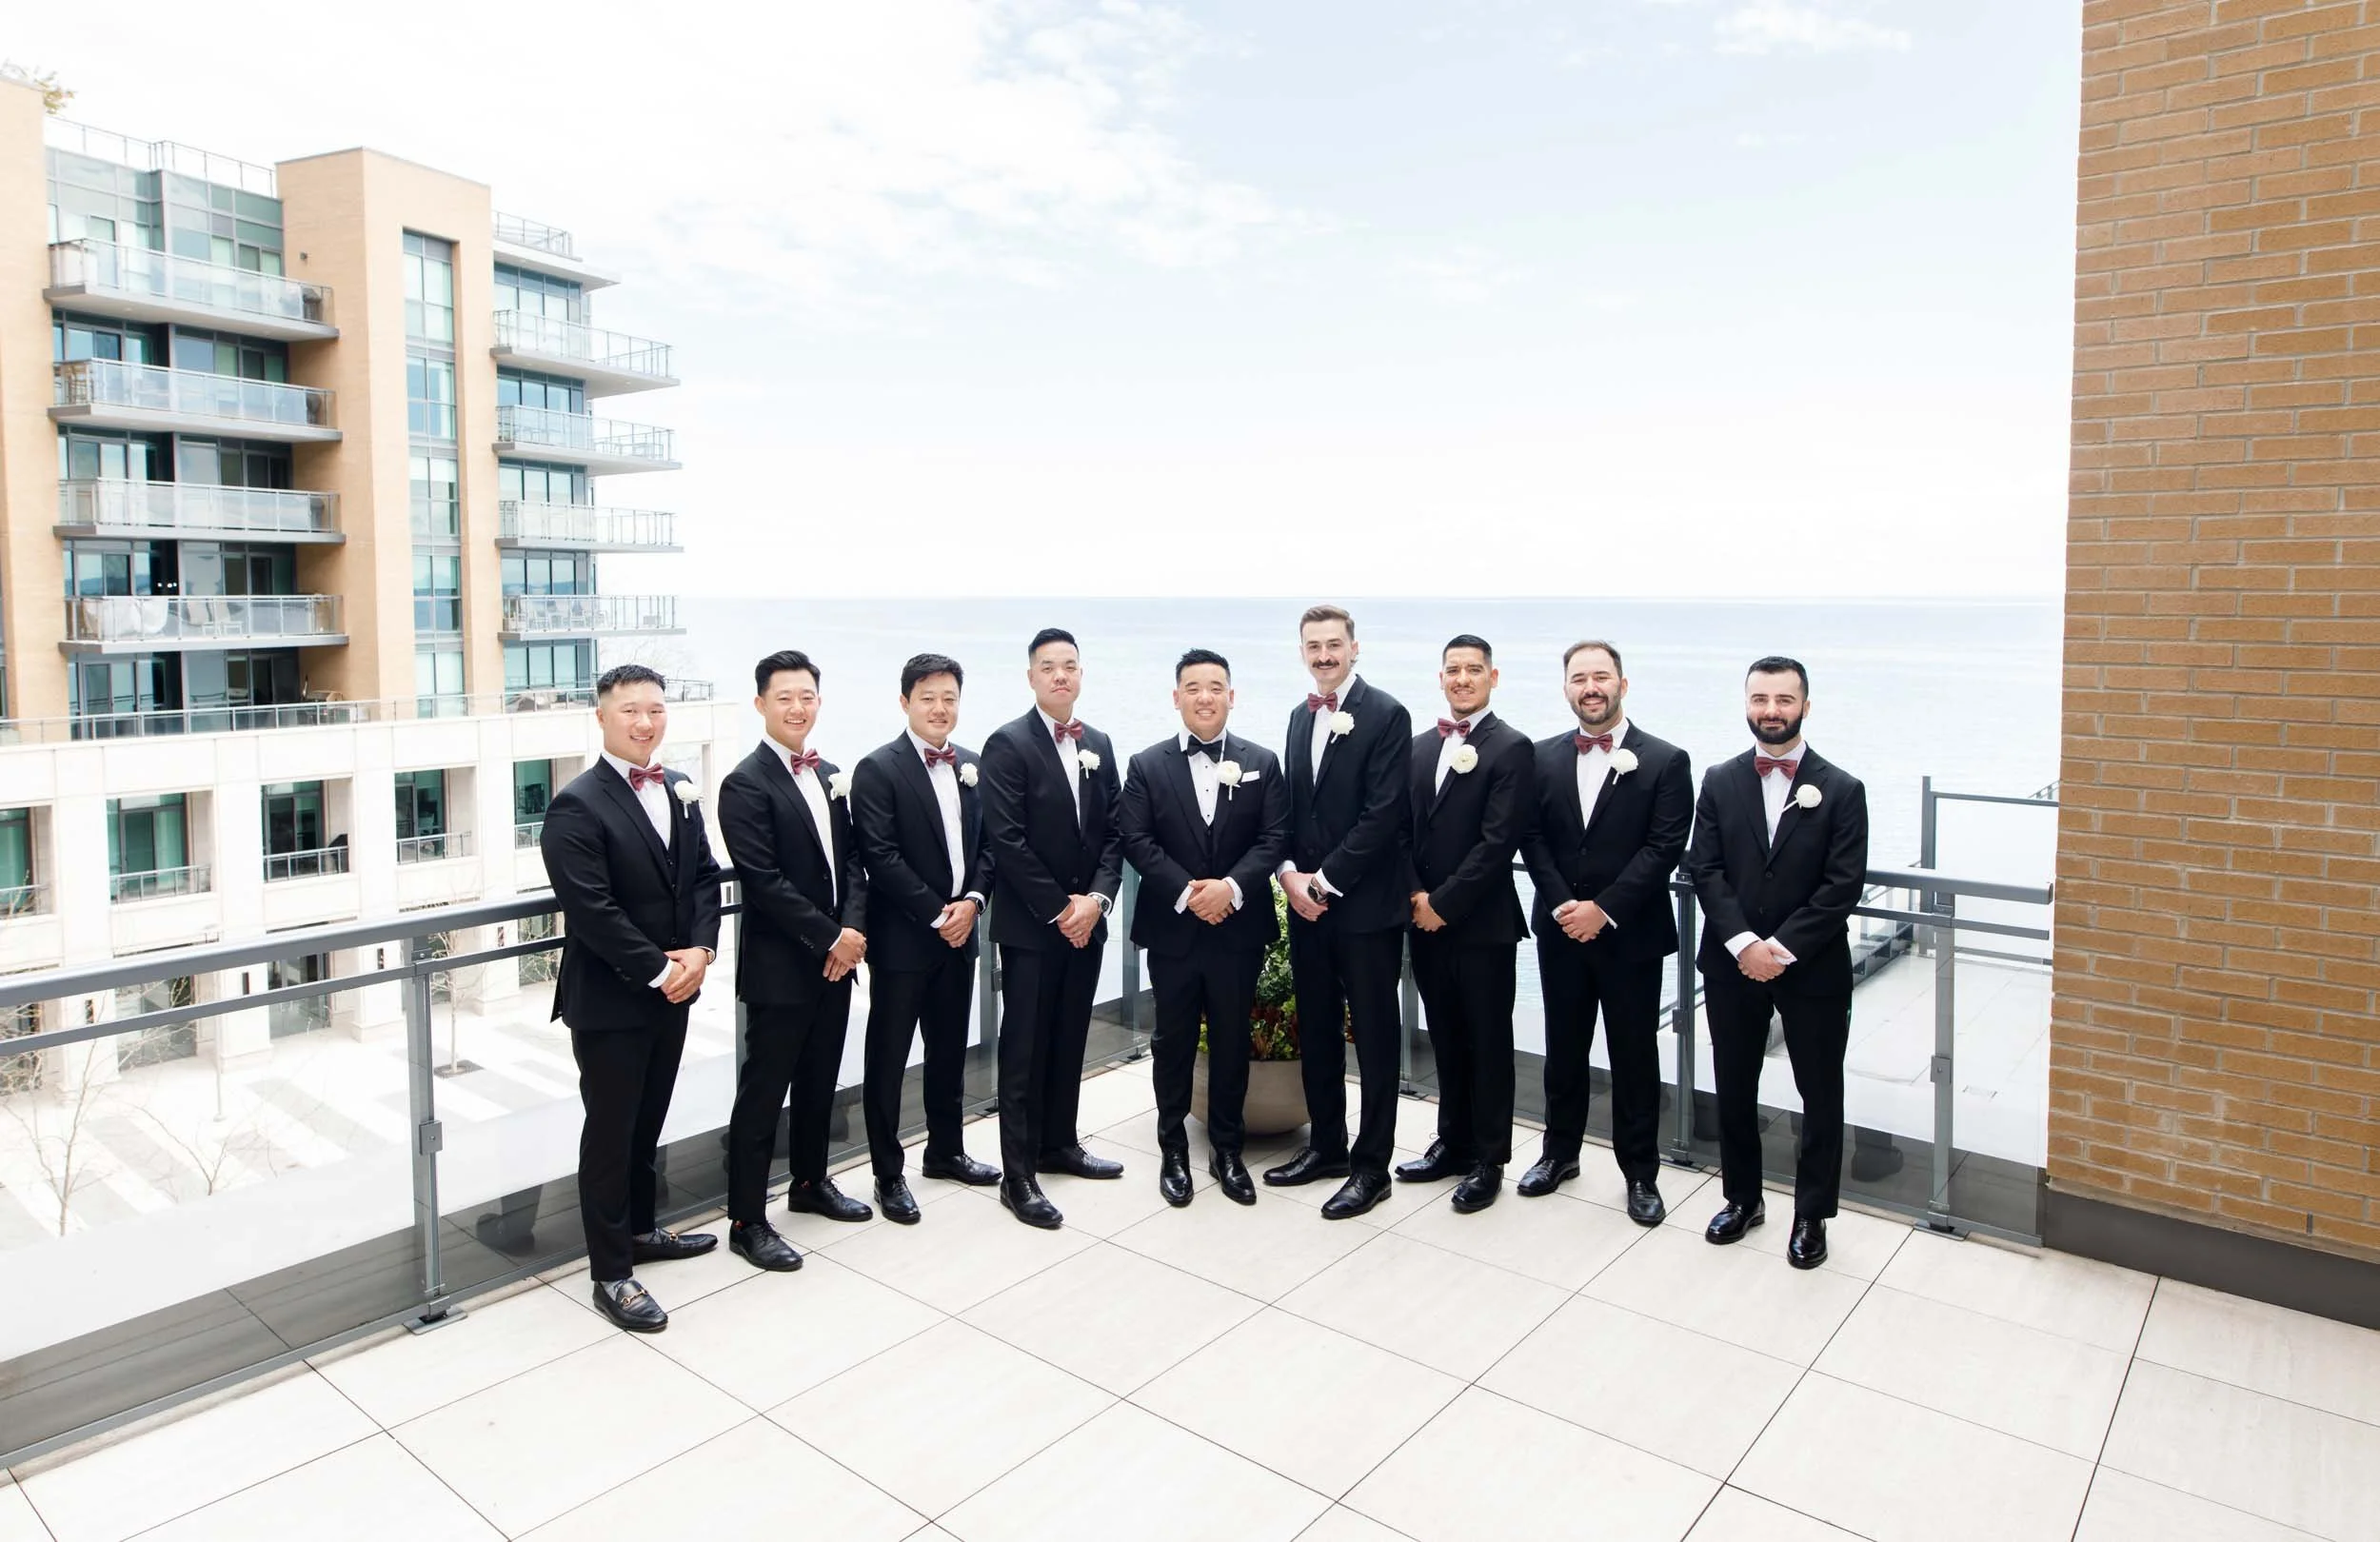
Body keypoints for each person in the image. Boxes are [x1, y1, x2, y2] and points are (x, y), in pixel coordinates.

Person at [540, 663, 724, 1332]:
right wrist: (659, 970)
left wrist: (701, 953)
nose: (645, 723)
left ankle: (644, 1230)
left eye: (654, 710)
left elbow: (705, 878)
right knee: (611, 1137)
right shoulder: (576, 804)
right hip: (613, 999)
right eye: (629, 712)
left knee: (649, 1123)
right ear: (602, 718)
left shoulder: (678, 788)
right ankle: (611, 1274)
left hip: (674, 990)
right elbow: (591, 909)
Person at [1686, 656, 1869, 1270]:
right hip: (1732, 962)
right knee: (1734, 1085)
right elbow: (1703, 869)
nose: (1771, 711)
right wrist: (1743, 944)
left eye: (1783, 700)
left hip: (1811, 968)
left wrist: (1780, 949)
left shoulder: (1842, 789)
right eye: (1760, 699)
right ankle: (1742, 1199)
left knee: (1820, 1093)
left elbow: (1842, 887)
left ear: (1805, 707)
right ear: (1746, 705)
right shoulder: (1718, 779)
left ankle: (1813, 1214)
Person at [1516, 640, 1692, 1223]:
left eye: (1601, 676)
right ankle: (1558, 1154)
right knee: (1562, 1049)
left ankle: (1640, 1174)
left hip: (1631, 935)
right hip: (1560, 928)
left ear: (1622, 682)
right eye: (1579, 678)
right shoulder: (1539, 757)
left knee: (1634, 1057)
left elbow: (1663, 847)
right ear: (1566, 687)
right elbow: (1531, 838)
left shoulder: (1666, 760)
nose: (1591, 687)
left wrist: (1605, 909)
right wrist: (1567, 904)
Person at [1117, 648, 1292, 1208]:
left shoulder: (1261, 760)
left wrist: (1231, 890)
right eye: (1193, 687)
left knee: (1233, 1040)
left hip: (1238, 930)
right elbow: (1137, 841)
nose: (1204, 697)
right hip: (1173, 931)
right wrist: (1191, 894)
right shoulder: (1146, 765)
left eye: (1215, 686)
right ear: (1177, 697)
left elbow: (1274, 837)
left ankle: (1227, 1149)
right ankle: (1172, 1150)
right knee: (1171, 1041)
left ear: (1231, 696)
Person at [718, 650, 872, 1274]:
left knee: (819, 1081)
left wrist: (854, 929)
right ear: (761, 705)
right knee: (763, 1093)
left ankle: (810, 1184)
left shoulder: (832, 774)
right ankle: (745, 1219)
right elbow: (764, 880)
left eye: (806, 695)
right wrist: (829, 938)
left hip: (837, 960)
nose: (797, 707)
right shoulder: (743, 784)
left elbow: (853, 864)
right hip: (784, 967)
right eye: (784, 697)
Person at [1264, 604, 1416, 1221]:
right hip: (1308, 910)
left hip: (1366, 910)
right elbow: (1291, 811)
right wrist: (1289, 877)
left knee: (1376, 1039)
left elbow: (1383, 815)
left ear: (1355, 648)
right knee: (1319, 1031)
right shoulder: (1300, 718)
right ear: (1303, 651)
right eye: (1313, 646)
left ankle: (1371, 1167)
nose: (1324, 655)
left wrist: (1323, 882)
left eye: (1334, 644)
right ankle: (1326, 1146)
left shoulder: (1387, 714)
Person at [979, 628, 1127, 1229]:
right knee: (1023, 1050)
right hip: (1033, 929)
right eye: (1049, 667)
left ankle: (1060, 1143)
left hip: (1086, 925)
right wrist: (1060, 908)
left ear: (1081, 675)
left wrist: (1095, 900)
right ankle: (1018, 1175)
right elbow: (1006, 840)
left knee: (1069, 1039)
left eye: (1070, 666)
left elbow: (1116, 832)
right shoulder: (1007, 743)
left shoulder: (1100, 743)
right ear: (1032, 677)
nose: (1060, 676)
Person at [850, 653, 1003, 1223]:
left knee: (947, 1051)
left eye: (949, 699)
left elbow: (988, 848)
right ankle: (888, 1174)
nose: (940, 709)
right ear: (905, 702)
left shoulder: (973, 764)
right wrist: (940, 913)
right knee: (888, 1059)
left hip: (961, 936)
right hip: (903, 942)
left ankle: (946, 1151)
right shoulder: (877, 768)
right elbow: (880, 858)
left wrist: (973, 903)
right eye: (928, 698)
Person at [1398, 635, 1535, 1213]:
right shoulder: (1418, 747)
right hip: (1422, 919)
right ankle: (1450, 1142)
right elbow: (1400, 829)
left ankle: (1489, 1158)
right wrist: (1414, 896)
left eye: (1472, 670)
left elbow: (1497, 842)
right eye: (1452, 670)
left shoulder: (1512, 748)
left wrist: (1443, 904)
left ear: (1492, 678)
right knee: (1446, 1039)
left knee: (1488, 1042)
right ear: (1441, 678)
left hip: (1481, 924)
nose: (1461, 679)